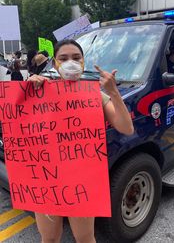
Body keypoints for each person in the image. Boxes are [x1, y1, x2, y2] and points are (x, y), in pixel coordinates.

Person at [28, 39, 134, 243]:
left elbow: (126, 127)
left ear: (84, 62)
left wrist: (113, 92)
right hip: (46, 180)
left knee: (85, 238)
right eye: (64, 58)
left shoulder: (95, 95)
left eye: (76, 58)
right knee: (49, 238)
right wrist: (30, 90)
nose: (71, 63)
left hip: (81, 181)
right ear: (54, 63)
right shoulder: (40, 91)